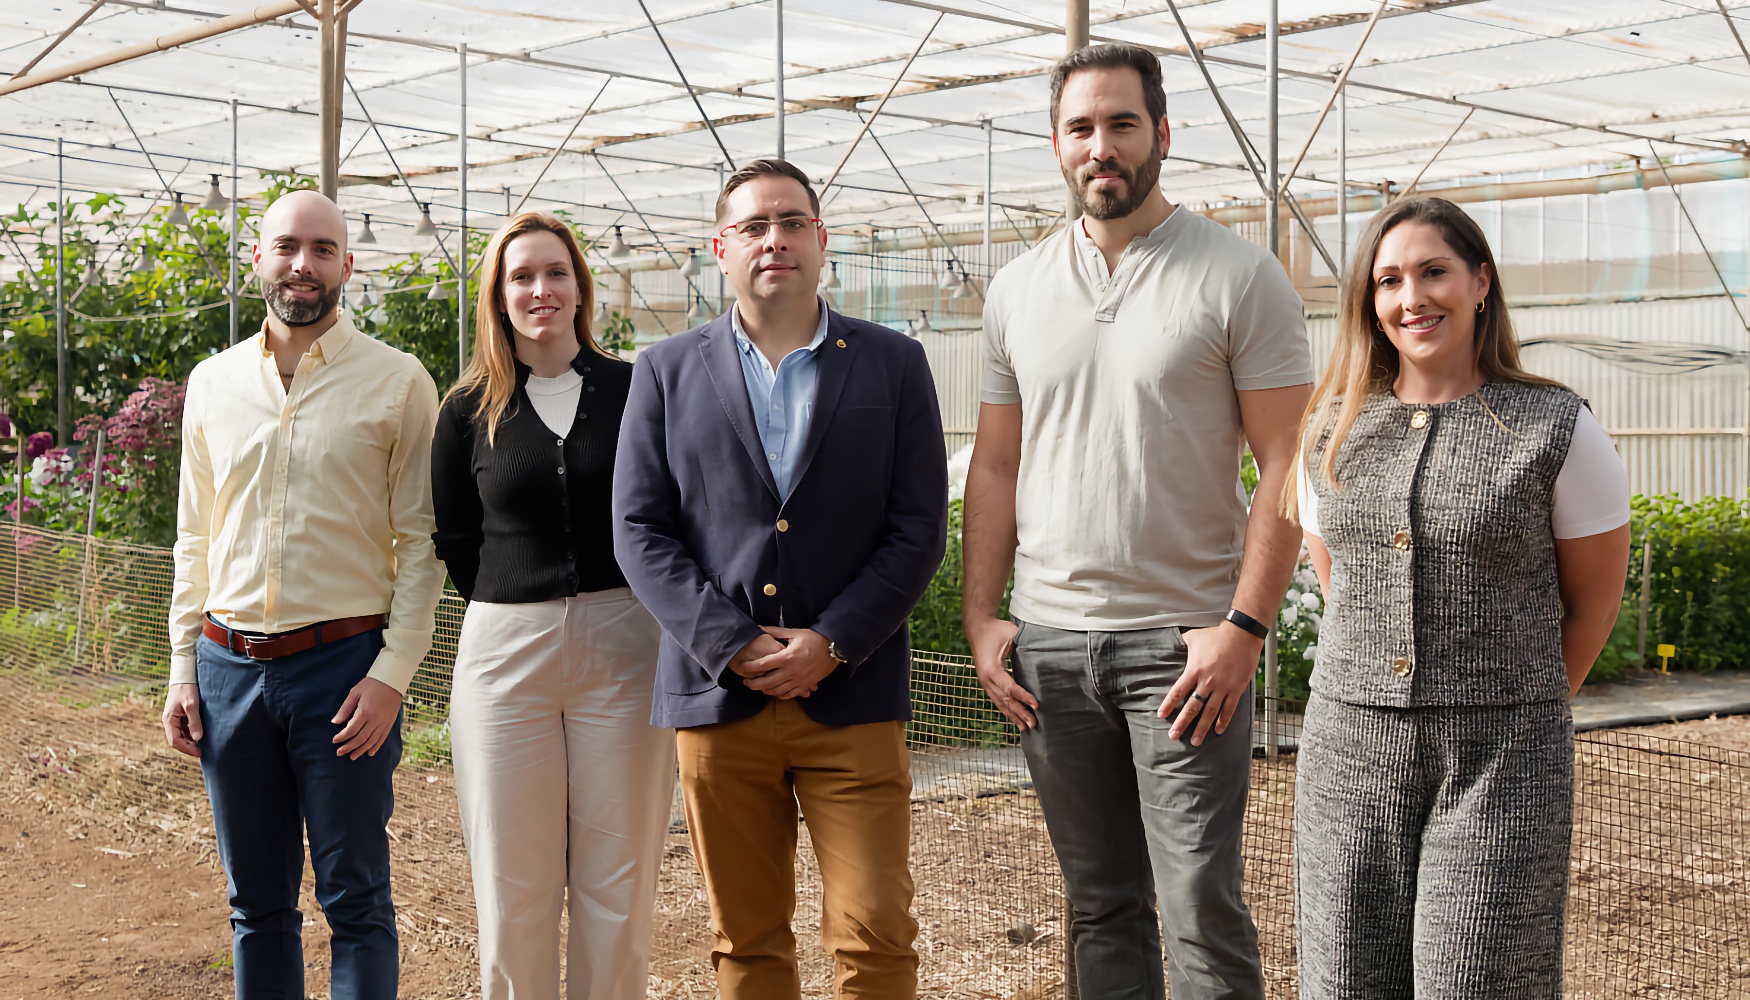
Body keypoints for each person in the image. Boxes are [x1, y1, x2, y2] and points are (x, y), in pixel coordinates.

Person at [962, 43, 1313, 1000]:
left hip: (1184, 650)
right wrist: (983, 616)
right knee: (1099, 904)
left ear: (1163, 133)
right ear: (1057, 144)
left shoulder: (1240, 276)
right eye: (1081, 127)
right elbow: (995, 463)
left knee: (1201, 907)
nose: (1100, 146)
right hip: (1052, 649)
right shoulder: (1018, 289)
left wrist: (1244, 629)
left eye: (1121, 124)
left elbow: (1288, 461)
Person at [612, 157, 948, 1000]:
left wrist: (834, 640)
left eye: (793, 222)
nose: (776, 240)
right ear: (719, 248)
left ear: (822, 240)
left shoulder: (894, 364)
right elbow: (639, 529)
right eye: (755, 226)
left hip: (852, 696)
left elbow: (918, 528)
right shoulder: (664, 371)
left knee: (876, 938)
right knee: (747, 942)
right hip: (720, 702)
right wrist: (731, 644)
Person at [1291, 195, 1631, 998]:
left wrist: (1513, 705)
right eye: (1389, 281)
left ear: (1481, 282)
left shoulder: (1554, 426)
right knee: (1344, 981)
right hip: (1348, 754)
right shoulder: (1332, 430)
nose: (1412, 298)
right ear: (1369, 304)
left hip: (1501, 761)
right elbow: (1341, 585)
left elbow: (1592, 608)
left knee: (1477, 981)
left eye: (1434, 271)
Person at [161, 189, 444, 999]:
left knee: (356, 899)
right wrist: (183, 667)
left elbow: (420, 544)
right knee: (256, 906)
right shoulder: (213, 383)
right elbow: (194, 536)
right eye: (287, 246)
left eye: (322, 250)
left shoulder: (397, 382)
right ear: (258, 259)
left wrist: (391, 676)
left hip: (344, 672)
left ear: (347, 266)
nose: (303, 265)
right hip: (227, 667)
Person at [430, 212, 673, 998]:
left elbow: (669, 514)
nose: (542, 289)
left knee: (618, 883)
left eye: (556, 273)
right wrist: (523, 606)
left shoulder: (637, 390)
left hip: (626, 646)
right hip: (506, 656)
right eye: (522, 277)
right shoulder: (465, 409)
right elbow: (457, 540)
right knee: (512, 886)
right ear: (498, 298)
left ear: (580, 287)